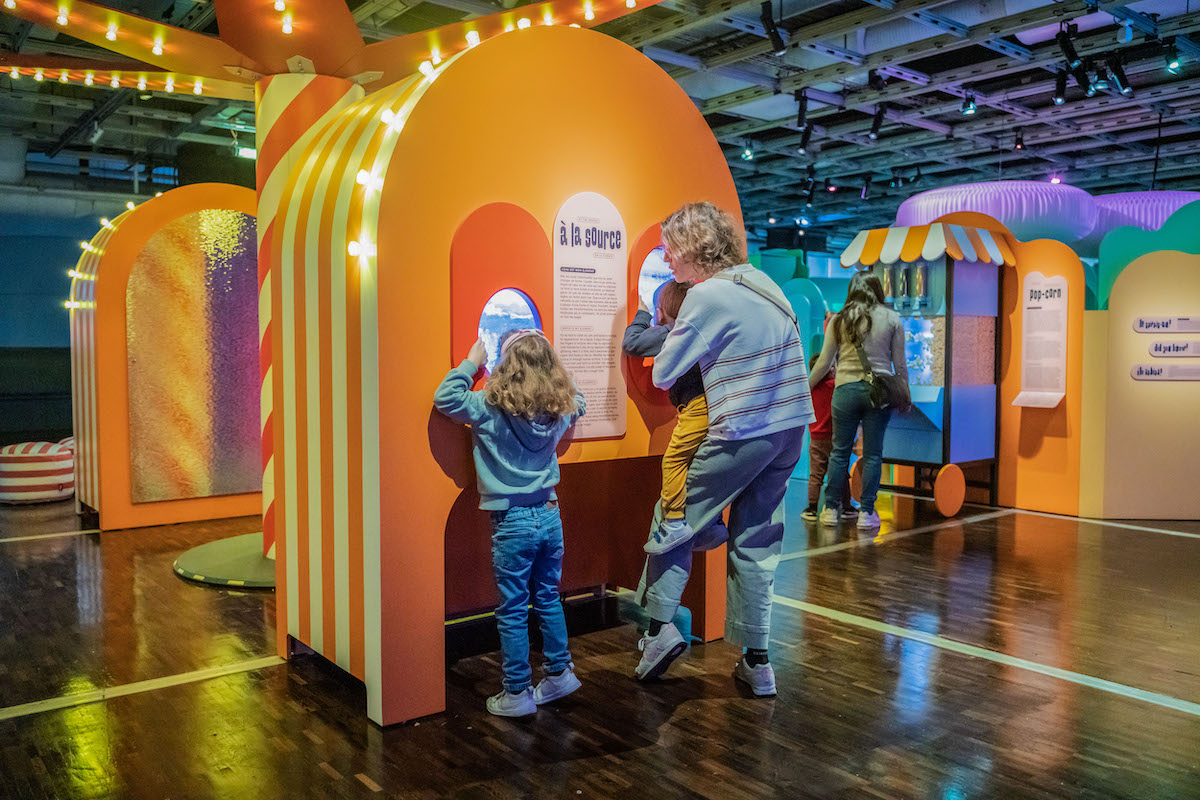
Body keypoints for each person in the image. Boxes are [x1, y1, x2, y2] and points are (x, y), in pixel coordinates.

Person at [634, 202, 813, 698]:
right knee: (757, 540)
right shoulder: (764, 283)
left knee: (672, 519)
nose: (668, 258)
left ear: (694, 247)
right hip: (790, 427)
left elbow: (664, 371)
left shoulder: (706, 296)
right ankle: (758, 663)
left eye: (671, 248)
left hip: (743, 428)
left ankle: (658, 631)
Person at [433, 330, 587, 717]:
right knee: (548, 597)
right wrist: (559, 377)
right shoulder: (559, 406)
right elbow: (579, 401)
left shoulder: (488, 405)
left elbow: (445, 398)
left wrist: (472, 362)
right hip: (550, 513)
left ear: (507, 364)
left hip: (512, 521)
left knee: (514, 609)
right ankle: (558, 673)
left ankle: (517, 692)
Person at [807, 271, 907, 531]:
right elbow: (900, 365)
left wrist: (803, 387)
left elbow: (824, 363)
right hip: (878, 393)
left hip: (845, 390)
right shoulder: (892, 319)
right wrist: (904, 393)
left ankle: (830, 509)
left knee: (839, 452)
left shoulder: (839, 320)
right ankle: (866, 512)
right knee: (873, 454)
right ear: (878, 289)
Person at [622, 281, 707, 554]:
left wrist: (642, 314)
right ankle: (712, 521)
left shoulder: (670, 332)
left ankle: (672, 522)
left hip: (695, 407)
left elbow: (632, 343)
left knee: (674, 459)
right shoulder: (696, 329)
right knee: (703, 462)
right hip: (713, 405)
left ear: (662, 310)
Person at [802, 353, 857, 522]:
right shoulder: (836, 386)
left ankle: (811, 508)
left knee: (815, 475)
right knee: (841, 472)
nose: (834, 369)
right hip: (836, 439)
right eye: (831, 366)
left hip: (816, 438)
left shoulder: (811, 389)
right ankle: (846, 507)